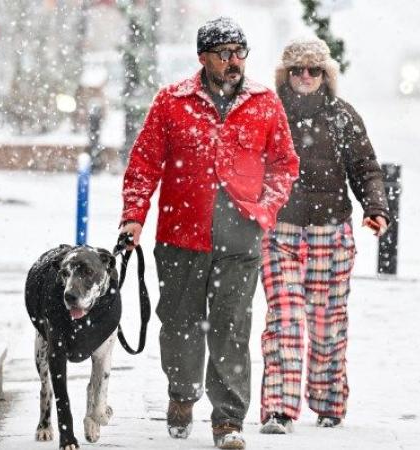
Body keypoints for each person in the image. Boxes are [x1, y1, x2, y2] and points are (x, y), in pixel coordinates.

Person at [118, 17, 299, 449]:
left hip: (240, 239)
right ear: (203, 57)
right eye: (224, 53)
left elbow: (284, 165)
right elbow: (144, 164)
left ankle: (228, 420)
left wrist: (265, 209)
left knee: (231, 328)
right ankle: (181, 395)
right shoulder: (172, 102)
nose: (233, 61)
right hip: (181, 238)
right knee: (178, 326)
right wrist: (133, 216)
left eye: (239, 53)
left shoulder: (264, 104)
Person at [258, 38, 390, 434]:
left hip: (330, 234)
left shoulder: (342, 117)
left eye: (313, 70)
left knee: (327, 322)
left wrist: (377, 208)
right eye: (297, 69)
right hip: (279, 231)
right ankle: (279, 408)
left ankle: (329, 401)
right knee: (284, 319)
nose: (305, 77)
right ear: (286, 74)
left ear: (325, 75)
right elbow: (245, 164)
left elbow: (366, 168)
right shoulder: (268, 113)